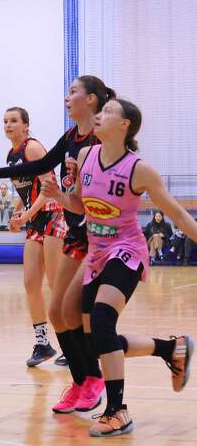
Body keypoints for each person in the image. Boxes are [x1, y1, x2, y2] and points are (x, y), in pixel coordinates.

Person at [42, 98, 194, 437]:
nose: (99, 115)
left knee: (101, 320)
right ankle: (172, 348)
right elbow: (79, 204)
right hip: (96, 252)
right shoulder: (86, 156)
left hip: (126, 250)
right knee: (97, 340)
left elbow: (178, 215)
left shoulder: (140, 170)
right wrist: (58, 196)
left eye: (108, 111)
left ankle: (117, 411)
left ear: (125, 125)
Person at [0, 76, 113, 413]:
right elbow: (42, 170)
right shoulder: (69, 137)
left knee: (80, 311)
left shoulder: (103, 137)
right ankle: (81, 378)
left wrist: (38, 207)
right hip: (76, 227)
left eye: (73, 92)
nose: (66, 97)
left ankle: (102, 382)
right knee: (55, 306)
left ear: (92, 100)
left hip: (96, 231)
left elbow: (50, 181)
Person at [2, 106, 67, 367]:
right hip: (35, 219)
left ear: (26, 125)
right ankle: (43, 344)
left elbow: (49, 186)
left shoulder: (33, 148)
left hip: (53, 214)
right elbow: (26, 191)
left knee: (56, 284)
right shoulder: (11, 155)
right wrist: (17, 213)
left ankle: (71, 345)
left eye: (13, 121)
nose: (8, 125)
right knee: (31, 283)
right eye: (5, 121)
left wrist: (27, 214)